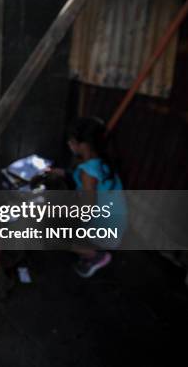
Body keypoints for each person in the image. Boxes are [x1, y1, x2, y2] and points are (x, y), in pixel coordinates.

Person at [49, 117, 125, 278]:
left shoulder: (87, 172)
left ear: (82, 145)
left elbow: (86, 209)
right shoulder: (103, 161)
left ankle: (96, 256)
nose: (69, 144)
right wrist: (61, 173)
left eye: (71, 141)